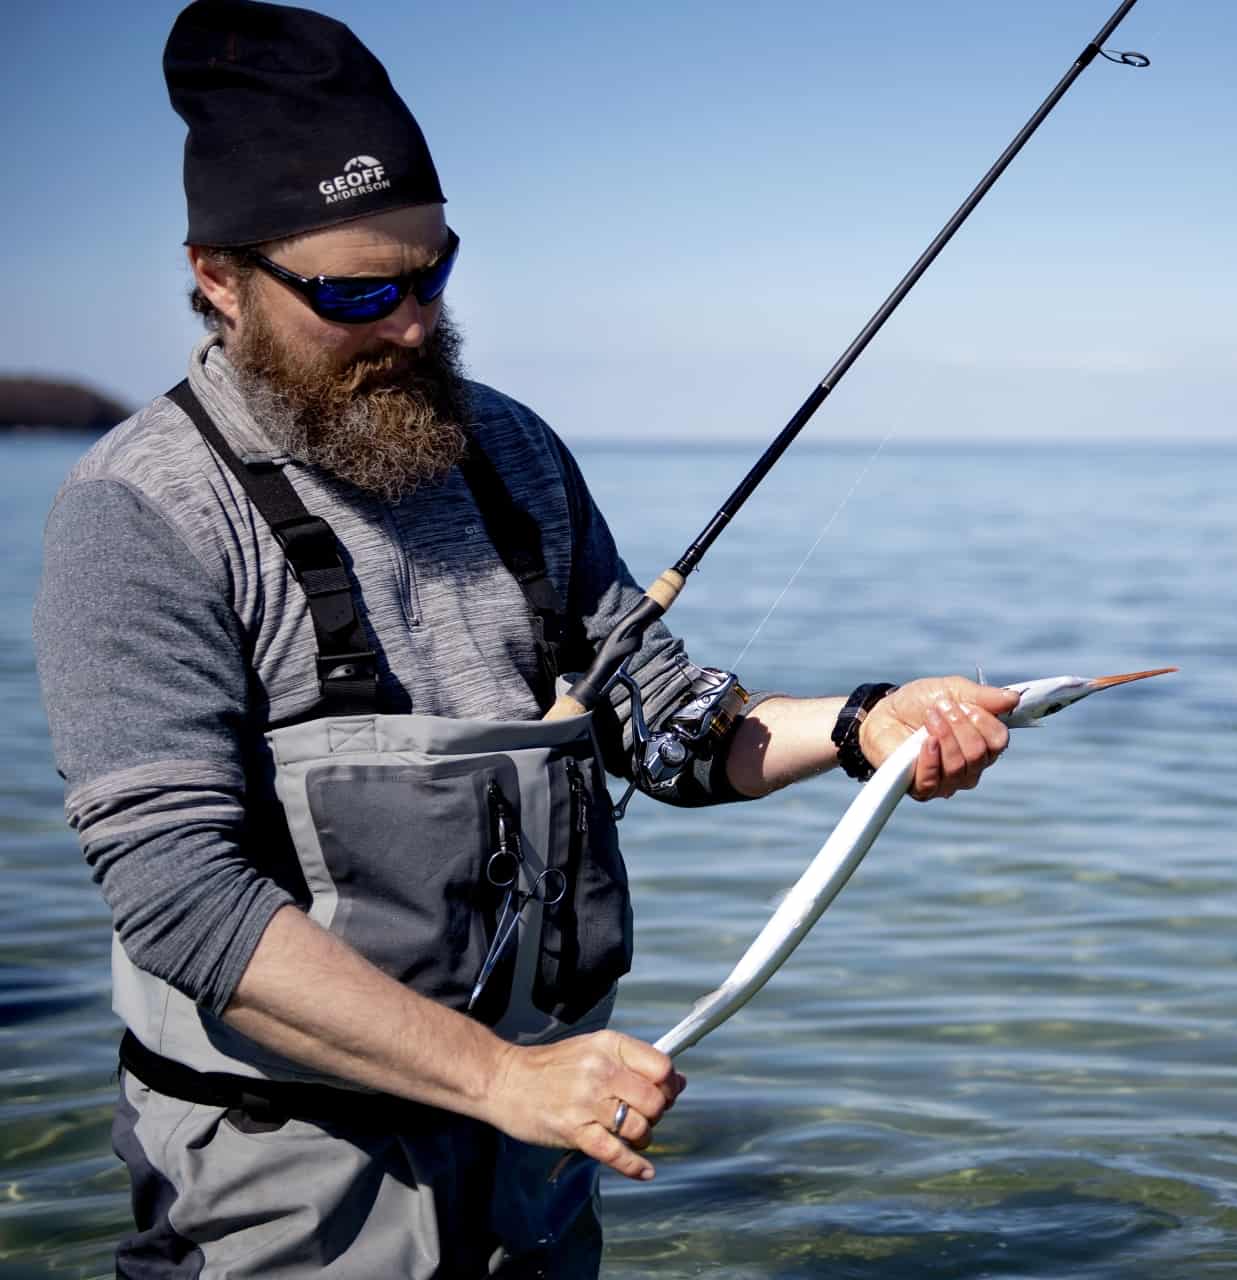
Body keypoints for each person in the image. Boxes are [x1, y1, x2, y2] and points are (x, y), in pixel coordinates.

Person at [32, 1, 1016, 1273]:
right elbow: (180, 898)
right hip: (287, 1163)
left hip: (538, 1153)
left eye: (432, 272)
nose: (410, 325)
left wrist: (860, 725)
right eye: (356, 291)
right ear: (218, 277)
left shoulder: (511, 450)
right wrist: (500, 1076)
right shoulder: (140, 510)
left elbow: (660, 720)